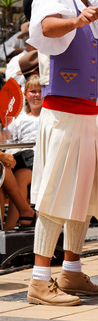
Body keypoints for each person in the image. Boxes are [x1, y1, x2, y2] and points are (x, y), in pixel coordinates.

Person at [26, 0, 98, 306]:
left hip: (87, 118)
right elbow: (47, 28)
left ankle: (71, 270)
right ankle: (39, 280)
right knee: (56, 196)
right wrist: (76, 20)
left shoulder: (94, 4)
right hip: (64, 115)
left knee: (81, 199)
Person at [4, 75, 42, 229]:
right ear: (26, 94)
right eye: (33, 91)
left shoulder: (50, 117)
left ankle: (9, 228)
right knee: (8, 171)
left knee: (20, 176)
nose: (37, 95)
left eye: (41, 91)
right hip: (22, 160)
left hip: (42, 162)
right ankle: (21, 218)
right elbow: (7, 141)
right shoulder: (19, 119)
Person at [0, 151, 36, 230]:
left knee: (20, 176)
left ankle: (7, 229)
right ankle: (25, 211)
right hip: (11, 158)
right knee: (3, 170)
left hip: (28, 160)